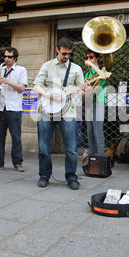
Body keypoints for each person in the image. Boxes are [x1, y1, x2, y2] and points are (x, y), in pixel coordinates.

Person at [33, 37, 85, 190]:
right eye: (64, 54)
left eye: (69, 54)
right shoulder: (47, 66)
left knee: (71, 148)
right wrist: (49, 96)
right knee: (43, 147)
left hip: (67, 111)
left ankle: (71, 177)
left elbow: (80, 90)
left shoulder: (76, 69)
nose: (66, 57)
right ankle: (44, 175)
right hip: (46, 110)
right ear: (57, 49)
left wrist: (83, 91)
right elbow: (37, 86)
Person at [0, 47, 28, 172]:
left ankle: (18, 162)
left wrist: (7, 82)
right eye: (5, 56)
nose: (6, 59)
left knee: (16, 137)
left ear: (15, 58)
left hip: (14, 107)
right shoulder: (0, 69)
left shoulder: (21, 70)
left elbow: (22, 88)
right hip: (0, 107)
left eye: (9, 57)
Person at [83, 49, 106, 156]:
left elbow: (103, 76)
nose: (88, 60)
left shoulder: (102, 70)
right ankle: (92, 157)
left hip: (99, 102)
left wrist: (93, 66)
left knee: (98, 131)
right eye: (87, 58)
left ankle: (100, 157)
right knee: (90, 132)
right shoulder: (87, 74)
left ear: (97, 58)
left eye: (91, 57)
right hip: (89, 102)